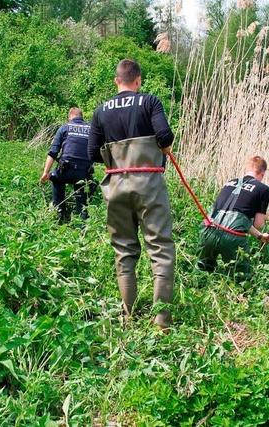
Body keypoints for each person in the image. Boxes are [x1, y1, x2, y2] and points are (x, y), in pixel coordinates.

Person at [88, 59, 176, 330]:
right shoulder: (149, 102)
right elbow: (164, 135)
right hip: (149, 184)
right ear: (137, 80)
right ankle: (162, 321)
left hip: (116, 187)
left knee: (124, 251)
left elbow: (92, 153)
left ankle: (129, 316)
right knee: (161, 250)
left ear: (117, 81)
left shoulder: (101, 110)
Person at [198, 156, 269, 277]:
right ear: (262, 173)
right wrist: (265, 217)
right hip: (232, 238)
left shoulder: (229, 182)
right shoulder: (263, 189)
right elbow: (258, 224)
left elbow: (233, 216)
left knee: (202, 273)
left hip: (208, 231)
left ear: (247, 168)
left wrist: (259, 236)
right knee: (241, 278)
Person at [40, 107, 94, 223]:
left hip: (65, 171)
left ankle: (59, 215)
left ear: (69, 117)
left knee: (56, 179)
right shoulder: (91, 129)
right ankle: (83, 225)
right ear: (81, 116)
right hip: (84, 173)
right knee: (82, 200)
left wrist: (45, 173)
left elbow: (53, 153)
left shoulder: (64, 128)